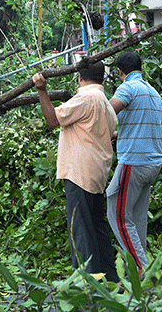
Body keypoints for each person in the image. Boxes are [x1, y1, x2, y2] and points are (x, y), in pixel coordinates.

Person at [32, 62, 120, 282]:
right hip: (97, 173)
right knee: (97, 228)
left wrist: (42, 90)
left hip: (79, 173)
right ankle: (110, 279)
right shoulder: (106, 104)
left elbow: (52, 120)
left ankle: (87, 283)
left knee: (80, 230)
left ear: (79, 77)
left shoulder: (85, 98)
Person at [106, 51, 162, 275]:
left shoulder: (128, 88)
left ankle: (141, 269)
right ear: (141, 67)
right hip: (153, 162)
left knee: (118, 215)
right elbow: (140, 125)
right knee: (137, 218)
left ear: (120, 72)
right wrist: (119, 135)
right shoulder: (153, 92)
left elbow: (106, 114)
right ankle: (139, 267)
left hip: (134, 162)